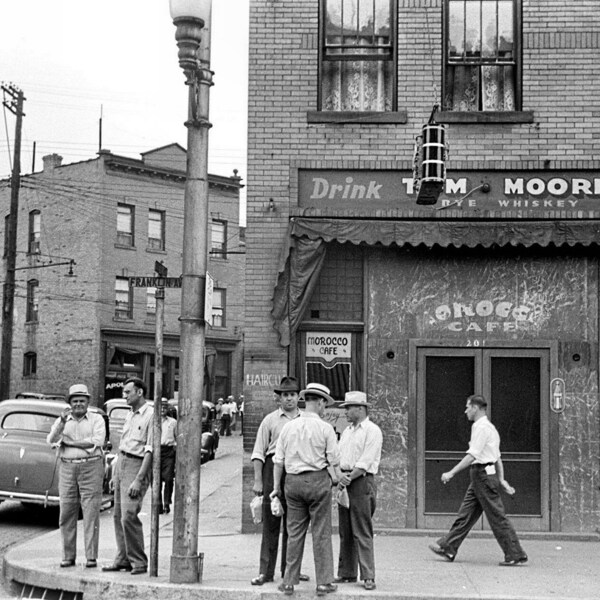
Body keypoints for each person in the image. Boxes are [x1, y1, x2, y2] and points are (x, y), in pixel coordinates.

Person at [428, 394, 528, 566]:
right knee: (466, 514)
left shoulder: (481, 428)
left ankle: (514, 553)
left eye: (468, 407)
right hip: (484, 475)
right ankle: (448, 547)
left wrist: (451, 472)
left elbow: (472, 455)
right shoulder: (489, 428)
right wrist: (502, 479)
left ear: (475, 408)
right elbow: (497, 458)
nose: (465, 411)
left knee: (496, 516)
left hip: (482, 475)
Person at [271, 382, 343, 597]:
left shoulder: (289, 427)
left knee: (294, 533)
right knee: (321, 533)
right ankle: (323, 583)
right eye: (325, 405)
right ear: (319, 402)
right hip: (318, 481)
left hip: (292, 483)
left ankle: (288, 582)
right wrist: (338, 482)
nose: (325, 409)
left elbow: (278, 461)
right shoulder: (325, 428)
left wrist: (276, 489)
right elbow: (334, 461)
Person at [250, 376, 309, 586]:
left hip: (295, 471)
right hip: (271, 469)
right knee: (271, 522)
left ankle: (290, 570)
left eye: (293, 394)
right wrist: (258, 481)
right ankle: (265, 572)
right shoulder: (270, 420)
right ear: (279, 398)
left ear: (298, 396)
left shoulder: (305, 420)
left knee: (294, 524)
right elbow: (258, 452)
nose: (289, 399)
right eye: (285, 395)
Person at [46, 383, 106, 568]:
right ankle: (68, 556)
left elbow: (96, 442)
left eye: (82, 400)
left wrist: (69, 443)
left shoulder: (97, 419)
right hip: (67, 468)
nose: (79, 404)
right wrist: (62, 424)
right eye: (75, 401)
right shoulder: (63, 421)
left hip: (91, 467)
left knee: (91, 513)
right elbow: (51, 440)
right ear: (70, 403)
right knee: (66, 512)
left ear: (88, 402)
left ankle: (91, 557)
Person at [102, 377, 153, 575]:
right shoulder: (130, 415)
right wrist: (116, 473)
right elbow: (123, 445)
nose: (124, 396)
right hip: (122, 462)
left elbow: (150, 450)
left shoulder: (150, 415)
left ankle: (139, 561)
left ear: (139, 392)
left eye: (127, 392)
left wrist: (139, 479)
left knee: (129, 515)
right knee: (118, 515)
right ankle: (123, 558)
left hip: (137, 464)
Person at [335, 391, 382, 591]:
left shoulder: (372, 430)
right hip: (345, 480)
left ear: (361, 409)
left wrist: (347, 477)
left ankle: (368, 575)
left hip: (361, 481)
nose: (346, 411)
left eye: (349, 407)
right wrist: (339, 476)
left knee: (362, 529)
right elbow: (337, 456)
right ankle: (347, 572)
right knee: (345, 529)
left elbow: (366, 461)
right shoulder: (347, 431)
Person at [158, 398, 177, 515]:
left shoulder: (173, 422)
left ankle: (167, 503)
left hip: (168, 451)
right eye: (160, 407)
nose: (162, 410)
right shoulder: (154, 421)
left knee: (169, 479)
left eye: (165, 408)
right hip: (156, 451)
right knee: (157, 480)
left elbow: (177, 438)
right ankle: (158, 504)